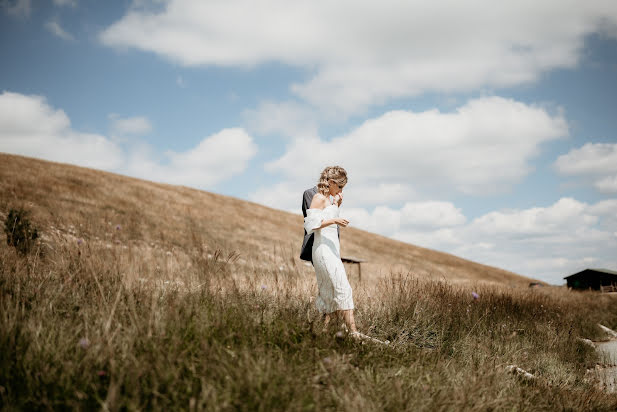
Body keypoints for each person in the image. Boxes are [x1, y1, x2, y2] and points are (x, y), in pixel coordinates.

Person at [302, 166, 387, 344]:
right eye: (339, 187)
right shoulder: (317, 198)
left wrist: (337, 206)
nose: (341, 191)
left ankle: (325, 334)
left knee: (329, 291)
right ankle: (353, 333)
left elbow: (326, 216)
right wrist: (335, 219)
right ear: (331, 183)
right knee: (343, 288)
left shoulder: (329, 199)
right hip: (323, 250)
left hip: (332, 249)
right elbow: (311, 225)